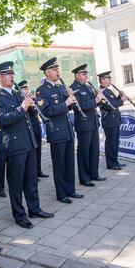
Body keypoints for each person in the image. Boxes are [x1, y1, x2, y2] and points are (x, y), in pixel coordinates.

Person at [0, 62, 53, 229]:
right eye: (7, 74)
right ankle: (19, 215)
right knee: (16, 183)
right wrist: (22, 107)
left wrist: (31, 104)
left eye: (12, 73)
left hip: (29, 142)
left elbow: (30, 115)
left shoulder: (18, 94)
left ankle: (34, 208)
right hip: (14, 146)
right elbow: (3, 119)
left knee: (31, 180)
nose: (11, 76)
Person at [35, 58, 84, 203]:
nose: (57, 71)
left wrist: (70, 101)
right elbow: (46, 111)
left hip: (67, 130)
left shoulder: (60, 87)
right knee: (59, 165)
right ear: (47, 73)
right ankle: (61, 194)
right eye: (54, 69)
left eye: (57, 69)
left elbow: (67, 107)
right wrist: (66, 103)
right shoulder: (41, 91)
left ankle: (71, 190)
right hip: (56, 131)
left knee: (69, 162)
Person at [70, 65, 106, 186]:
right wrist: (95, 100)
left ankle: (94, 174)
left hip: (93, 122)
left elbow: (94, 103)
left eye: (86, 73)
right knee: (84, 152)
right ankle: (84, 178)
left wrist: (99, 97)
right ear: (77, 75)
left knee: (94, 150)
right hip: (83, 124)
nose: (86, 76)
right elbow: (80, 106)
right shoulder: (73, 88)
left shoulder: (87, 86)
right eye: (83, 74)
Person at [18, 80, 48, 179]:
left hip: (36, 127)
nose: (26, 90)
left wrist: (32, 100)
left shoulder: (31, 99)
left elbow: (37, 111)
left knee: (38, 150)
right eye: (24, 89)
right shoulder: (21, 101)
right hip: (29, 128)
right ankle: (33, 173)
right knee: (33, 153)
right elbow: (29, 113)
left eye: (26, 88)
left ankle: (39, 170)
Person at [98, 71, 127, 170]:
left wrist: (119, 96)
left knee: (115, 142)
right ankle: (111, 163)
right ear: (102, 80)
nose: (110, 80)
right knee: (110, 143)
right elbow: (111, 106)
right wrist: (122, 100)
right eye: (108, 78)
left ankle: (115, 161)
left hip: (115, 120)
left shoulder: (109, 91)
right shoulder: (100, 92)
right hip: (109, 121)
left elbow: (115, 101)